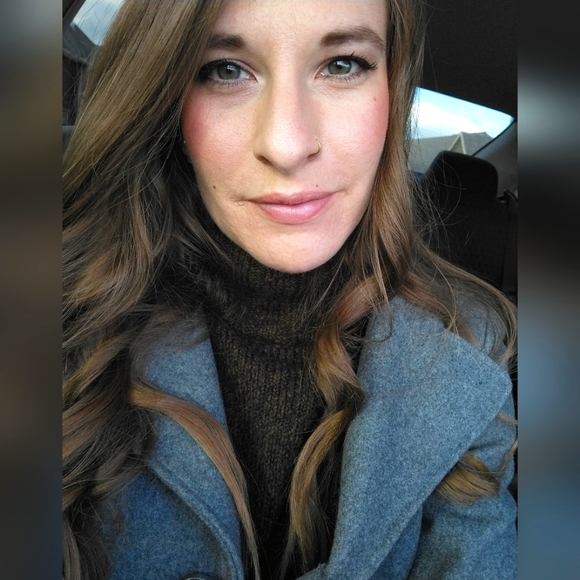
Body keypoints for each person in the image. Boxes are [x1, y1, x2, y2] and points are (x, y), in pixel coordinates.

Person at [62, 1, 517, 579]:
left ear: (393, 90)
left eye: (343, 64)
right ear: (165, 100)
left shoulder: (472, 345)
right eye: (225, 69)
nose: (286, 144)